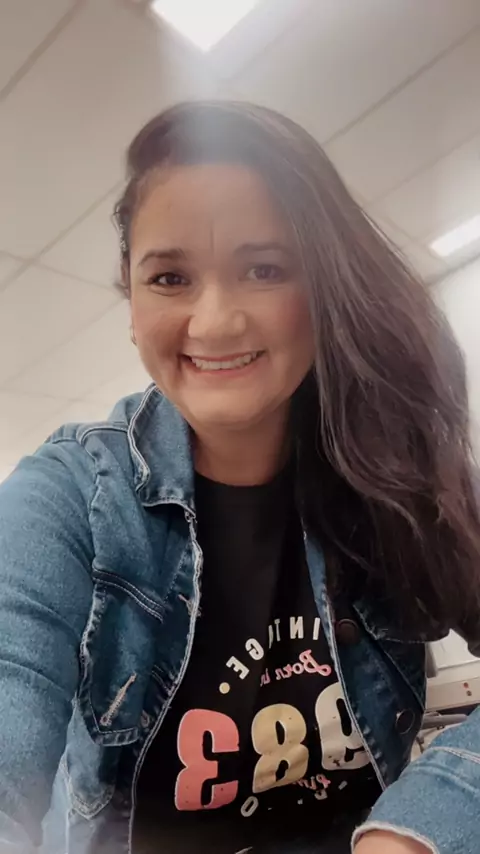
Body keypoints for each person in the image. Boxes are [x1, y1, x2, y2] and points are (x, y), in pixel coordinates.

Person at [0, 101, 479, 854]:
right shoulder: (67, 499)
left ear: (321, 286)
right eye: (170, 277)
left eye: (264, 269)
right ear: (131, 300)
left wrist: (417, 833)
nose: (216, 321)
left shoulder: (396, 475)